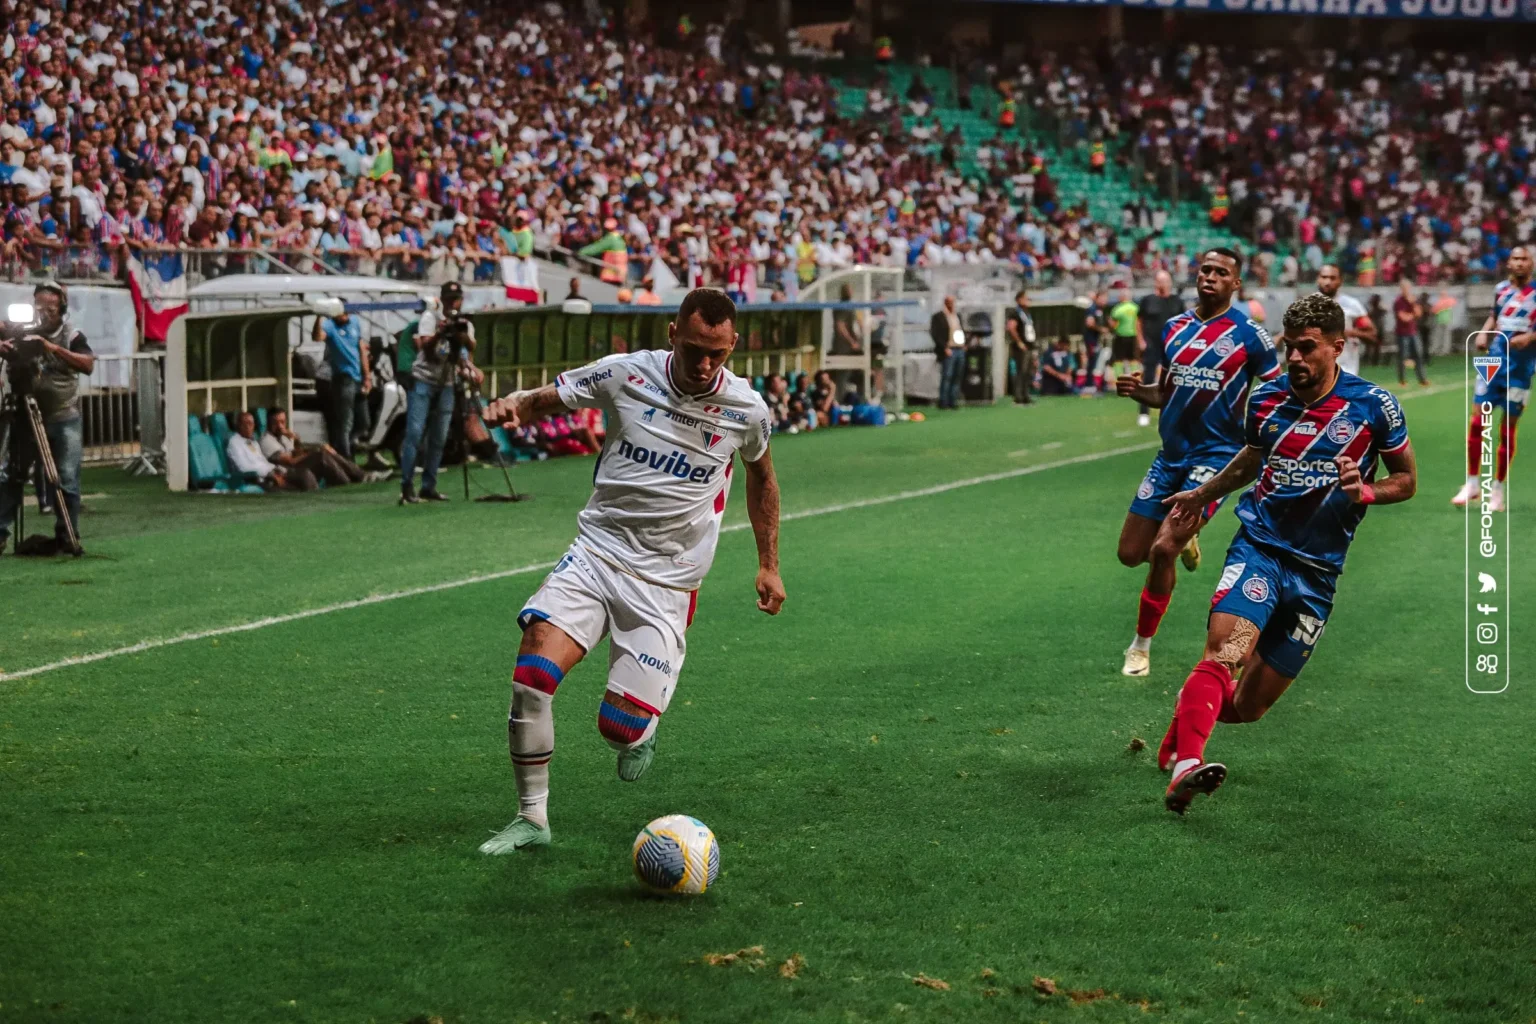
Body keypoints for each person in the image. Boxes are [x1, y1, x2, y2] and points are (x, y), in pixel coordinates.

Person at [476, 288, 785, 853]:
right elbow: (549, 397)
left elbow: (763, 479)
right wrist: (514, 404)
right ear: (672, 334)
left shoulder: (747, 410)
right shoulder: (626, 373)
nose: (705, 364)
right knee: (532, 678)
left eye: (717, 353)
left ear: (733, 345)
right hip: (598, 552)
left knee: (618, 727)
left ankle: (638, 732)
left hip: (667, 581)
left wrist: (769, 565)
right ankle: (532, 819)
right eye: (694, 349)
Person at [1155, 293, 1417, 815]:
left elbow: (1406, 480)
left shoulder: (1374, 406)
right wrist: (1202, 495)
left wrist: (1366, 492)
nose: (1294, 358)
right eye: (1287, 347)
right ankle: (1186, 768)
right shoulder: (1266, 397)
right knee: (1226, 653)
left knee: (1249, 707)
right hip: (1261, 548)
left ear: (1337, 347)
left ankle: (1180, 734)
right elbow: (1251, 458)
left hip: (1318, 573)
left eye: (1306, 348)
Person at [1113, 248, 1279, 678]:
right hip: (1170, 457)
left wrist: (1270, 440)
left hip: (1216, 458)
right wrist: (1138, 390)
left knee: (1162, 547)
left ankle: (1140, 647)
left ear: (1235, 284)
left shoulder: (1250, 335)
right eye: (1205, 269)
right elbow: (1167, 392)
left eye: (1221, 272)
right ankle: (1188, 537)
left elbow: (1279, 394)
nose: (1210, 277)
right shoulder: (1175, 328)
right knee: (1131, 555)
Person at [0, 282, 93, 555]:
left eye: (50, 308)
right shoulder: (25, 330)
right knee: (12, 475)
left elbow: (87, 364)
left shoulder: (71, 334)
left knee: (66, 477)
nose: (43, 313)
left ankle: (67, 535)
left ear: (61, 308)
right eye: (38, 306)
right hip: (25, 414)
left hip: (63, 416)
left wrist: (50, 347)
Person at [1453, 246, 1535, 512]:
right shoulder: (1500, 289)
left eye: (1524, 259)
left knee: (1506, 429)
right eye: (1516, 259)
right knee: (1477, 421)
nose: (1520, 263)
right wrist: (1483, 332)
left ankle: (1497, 489)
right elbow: (1494, 315)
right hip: (1492, 361)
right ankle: (1472, 482)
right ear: (1509, 263)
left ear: (1531, 264)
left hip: (1520, 369)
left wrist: (1530, 338)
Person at [399, 281, 481, 505]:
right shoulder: (430, 317)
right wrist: (441, 332)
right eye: (449, 299)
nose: (452, 303)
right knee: (415, 433)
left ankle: (429, 486)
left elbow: (470, 348)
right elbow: (425, 346)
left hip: (447, 383)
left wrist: (460, 335)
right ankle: (406, 485)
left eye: (455, 299)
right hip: (424, 379)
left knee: (439, 436)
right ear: (442, 299)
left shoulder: (464, 324)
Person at [260, 408, 388, 486]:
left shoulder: (283, 437)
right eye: (276, 423)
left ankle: (359, 476)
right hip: (288, 471)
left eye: (282, 422)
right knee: (321, 456)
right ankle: (357, 478)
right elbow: (290, 461)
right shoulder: (267, 441)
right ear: (269, 423)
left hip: (297, 465)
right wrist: (314, 452)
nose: (280, 426)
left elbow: (295, 453)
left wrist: (297, 440)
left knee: (325, 451)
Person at [313, 309, 370, 459]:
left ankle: (344, 448)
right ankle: (346, 458)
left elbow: (361, 349)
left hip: (357, 379)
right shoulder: (330, 326)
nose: (343, 315)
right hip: (342, 380)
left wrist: (367, 376)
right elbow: (318, 337)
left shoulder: (355, 322)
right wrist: (319, 316)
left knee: (364, 422)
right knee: (345, 423)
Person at [1134, 271, 1183, 427]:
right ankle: (1143, 413)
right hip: (1152, 344)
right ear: (1156, 282)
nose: (1163, 284)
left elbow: (1185, 323)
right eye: (1161, 281)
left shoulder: (1177, 301)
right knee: (1148, 379)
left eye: (1166, 281)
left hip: (1172, 345)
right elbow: (1139, 321)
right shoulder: (1148, 300)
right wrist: (1141, 340)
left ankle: (1174, 413)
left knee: (1175, 380)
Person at [226, 411, 315, 491]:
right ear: (238, 425)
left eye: (251, 424)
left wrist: (277, 470)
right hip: (259, 480)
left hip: (272, 473)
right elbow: (244, 468)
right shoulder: (234, 443)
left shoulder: (253, 442)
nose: (249, 427)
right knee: (294, 488)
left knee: (304, 474)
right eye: (245, 424)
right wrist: (270, 474)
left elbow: (262, 461)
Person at [1315, 264, 1374, 377]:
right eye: (1324, 277)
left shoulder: (1352, 305)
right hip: (1317, 372)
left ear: (1340, 281)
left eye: (1332, 278)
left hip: (1346, 371)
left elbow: (1372, 335)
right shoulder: (1308, 306)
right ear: (1318, 279)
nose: (1327, 282)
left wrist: (1349, 333)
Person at [930, 295, 965, 409]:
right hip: (948, 349)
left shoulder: (957, 316)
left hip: (959, 348)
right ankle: (943, 401)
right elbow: (935, 334)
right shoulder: (938, 317)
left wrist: (963, 344)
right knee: (947, 376)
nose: (952, 304)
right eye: (950, 302)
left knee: (957, 376)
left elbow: (960, 330)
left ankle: (953, 400)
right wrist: (944, 348)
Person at [1392, 279, 1429, 388]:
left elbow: (1419, 313)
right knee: (1403, 357)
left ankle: (1422, 379)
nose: (1406, 290)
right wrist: (1413, 315)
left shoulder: (1413, 300)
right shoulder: (1398, 301)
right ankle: (1402, 380)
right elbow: (1403, 318)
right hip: (1402, 333)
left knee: (1419, 355)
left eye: (1408, 288)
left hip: (1413, 332)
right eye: (1404, 288)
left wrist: (1412, 304)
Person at [1005, 289, 1037, 405]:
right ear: (1019, 300)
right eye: (1025, 298)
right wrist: (1019, 342)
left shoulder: (1026, 312)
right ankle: (1018, 396)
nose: (1027, 300)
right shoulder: (1015, 313)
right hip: (1021, 346)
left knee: (1028, 371)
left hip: (1029, 345)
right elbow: (1011, 328)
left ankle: (1025, 395)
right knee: (1021, 371)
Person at [1108, 287, 1140, 385]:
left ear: (1122, 297)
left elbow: (1112, 323)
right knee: (1134, 359)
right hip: (1133, 336)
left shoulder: (1118, 308)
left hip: (1121, 336)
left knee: (1118, 359)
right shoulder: (1136, 308)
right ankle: (1136, 381)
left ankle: (1120, 382)